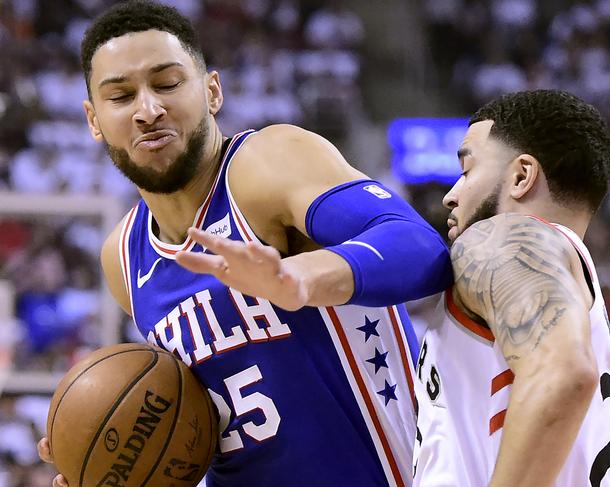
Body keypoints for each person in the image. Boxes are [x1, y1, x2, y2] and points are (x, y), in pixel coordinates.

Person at [37, 1, 453, 486]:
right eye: (121, 96)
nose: (148, 110)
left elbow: (420, 247)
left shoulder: (264, 164)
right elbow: (203, 427)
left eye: (168, 84)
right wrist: (114, 466)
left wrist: (302, 279)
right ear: (93, 119)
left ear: (212, 91)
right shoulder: (123, 257)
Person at [412, 89, 610, 487]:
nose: (451, 195)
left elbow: (563, 372)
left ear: (521, 176)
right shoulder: (581, 299)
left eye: (467, 171)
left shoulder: (503, 238)